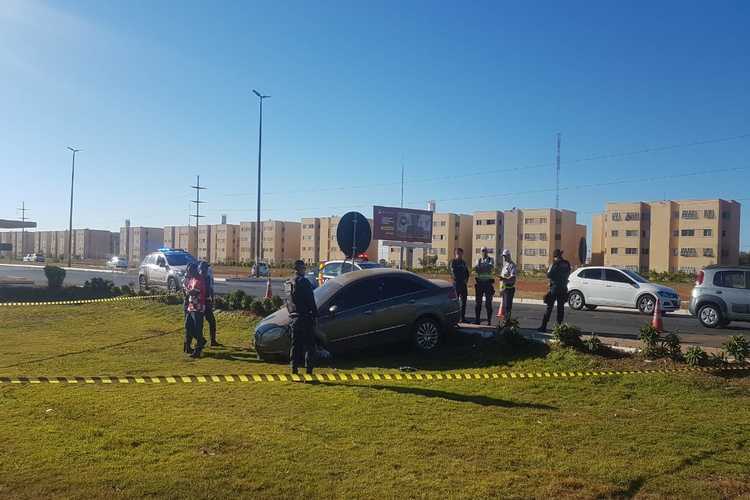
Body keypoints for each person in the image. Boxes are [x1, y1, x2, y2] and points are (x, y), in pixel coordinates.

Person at [287, 259, 318, 375]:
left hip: (294, 317)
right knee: (310, 345)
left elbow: (287, 302)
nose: (305, 270)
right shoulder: (304, 282)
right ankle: (309, 370)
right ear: (299, 269)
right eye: (304, 268)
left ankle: (294, 368)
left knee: (296, 345)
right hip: (305, 317)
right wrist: (315, 315)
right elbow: (310, 300)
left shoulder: (288, 283)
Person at [539, 249, 572, 332]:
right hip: (563, 288)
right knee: (560, 308)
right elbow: (568, 273)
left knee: (549, 307)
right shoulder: (567, 263)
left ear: (555, 257)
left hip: (555, 288)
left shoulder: (554, 264)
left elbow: (549, 275)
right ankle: (558, 328)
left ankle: (543, 326)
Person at [184, 262, 207, 358]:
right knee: (188, 327)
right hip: (191, 307)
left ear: (194, 270)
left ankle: (198, 350)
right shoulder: (192, 279)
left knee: (198, 329)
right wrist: (186, 290)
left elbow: (192, 292)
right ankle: (199, 341)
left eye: (190, 271)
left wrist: (186, 290)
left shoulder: (199, 280)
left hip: (198, 308)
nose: (189, 273)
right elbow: (188, 289)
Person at [199, 261, 220, 346]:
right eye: (206, 268)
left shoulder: (207, 277)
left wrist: (212, 299)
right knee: (199, 323)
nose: (207, 269)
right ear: (202, 268)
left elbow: (210, 289)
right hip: (200, 303)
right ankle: (201, 340)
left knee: (212, 322)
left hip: (207, 302)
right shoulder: (199, 278)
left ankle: (213, 341)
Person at [474, 247, 495, 326]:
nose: (484, 252)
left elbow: (490, 268)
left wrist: (481, 267)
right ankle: (477, 320)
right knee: (478, 303)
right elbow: (476, 269)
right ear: (481, 252)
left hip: (488, 284)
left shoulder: (491, 259)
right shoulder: (478, 260)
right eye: (483, 251)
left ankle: (489, 321)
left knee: (488, 303)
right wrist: (483, 268)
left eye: (485, 251)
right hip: (479, 284)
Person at [450, 248, 470, 323]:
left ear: (462, 254)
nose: (459, 254)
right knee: (455, 302)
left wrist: (466, 280)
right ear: (455, 254)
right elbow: (453, 273)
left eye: (460, 253)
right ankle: (455, 318)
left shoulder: (464, 262)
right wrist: (459, 280)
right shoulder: (453, 262)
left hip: (463, 285)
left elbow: (467, 272)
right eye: (457, 253)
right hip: (456, 284)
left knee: (464, 302)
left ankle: (463, 318)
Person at [498, 249, 517, 324]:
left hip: (509, 289)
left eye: (505, 256)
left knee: (507, 307)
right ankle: (505, 321)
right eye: (503, 256)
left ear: (509, 256)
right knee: (504, 307)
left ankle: (507, 322)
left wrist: (504, 279)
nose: (504, 258)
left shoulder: (512, 265)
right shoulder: (505, 265)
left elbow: (513, 278)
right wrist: (501, 289)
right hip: (504, 289)